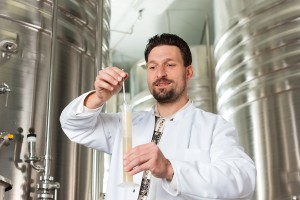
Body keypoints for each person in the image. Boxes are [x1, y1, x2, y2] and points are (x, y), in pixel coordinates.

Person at [60, 33, 256, 200]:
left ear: (188, 72)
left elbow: (243, 178)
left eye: (169, 65)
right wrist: (99, 97)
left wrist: (170, 169)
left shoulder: (213, 127)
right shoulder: (126, 124)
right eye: (152, 67)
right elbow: (74, 126)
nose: (160, 73)